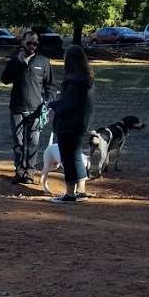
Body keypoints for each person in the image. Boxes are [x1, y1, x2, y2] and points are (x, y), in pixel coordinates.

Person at [0, 30, 54, 183]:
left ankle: (29, 173)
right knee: (18, 142)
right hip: (17, 107)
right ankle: (19, 171)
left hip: (35, 110)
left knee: (33, 142)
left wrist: (47, 102)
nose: (32, 46)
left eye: (35, 43)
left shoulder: (43, 61)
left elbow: (50, 85)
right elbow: (5, 79)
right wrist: (18, 62)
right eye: (29, 43)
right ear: (22, 43)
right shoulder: (14, 60)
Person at [49, 45, 94, 203]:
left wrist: (53, 105)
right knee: (75, 156)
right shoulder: (86, 79)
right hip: (80, 124)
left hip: (68, 124)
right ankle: (81, 191)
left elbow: (68, 104)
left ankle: (69, 194)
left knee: (68, 158)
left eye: (65, 56)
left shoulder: (73, 81)